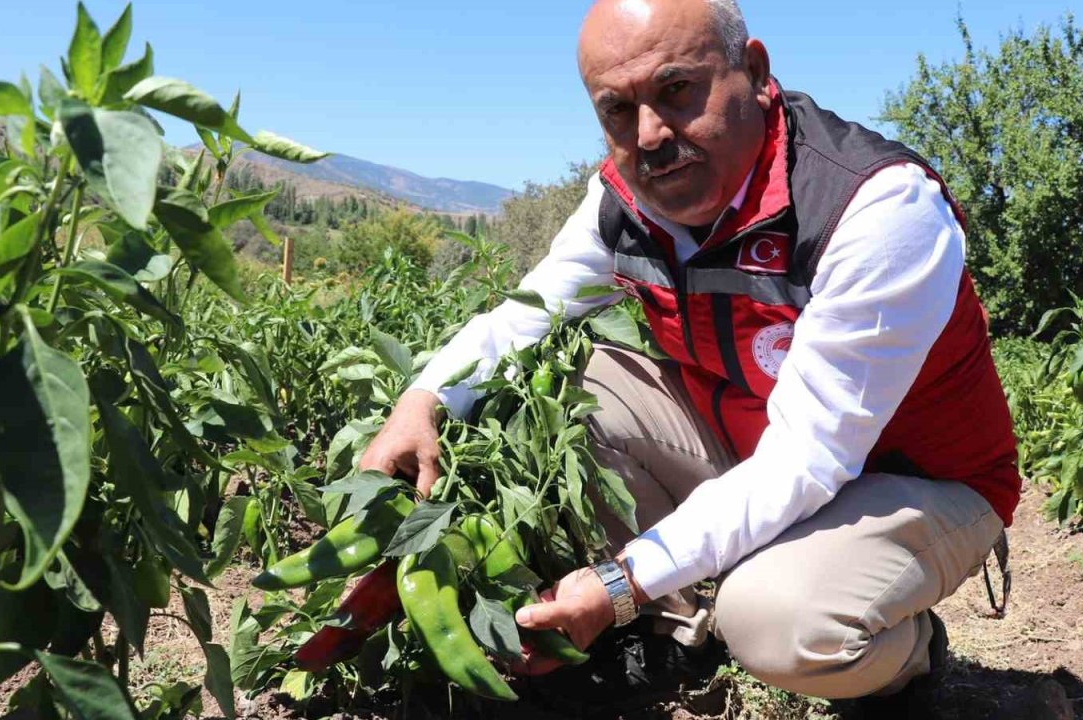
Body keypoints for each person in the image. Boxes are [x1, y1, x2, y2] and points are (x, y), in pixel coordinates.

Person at [358, 0, 1020, 703]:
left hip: (918, 481)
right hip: (753, 447)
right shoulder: (626, 203)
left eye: (677, 91)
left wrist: (615, 584)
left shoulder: (873, 208)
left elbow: (810, 459)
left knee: (777, 618)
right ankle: (679, 633)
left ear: (756, 72)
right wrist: (423, 398)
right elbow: (528, 312)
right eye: (617, 110)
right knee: (571, 388)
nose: (649, 135)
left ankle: (913, 660)